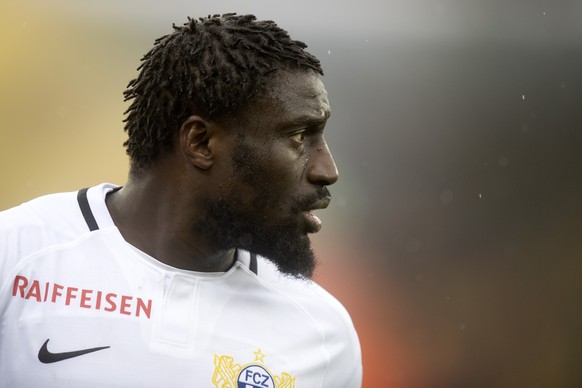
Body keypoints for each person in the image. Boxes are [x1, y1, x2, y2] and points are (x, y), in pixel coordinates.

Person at [0, 13, 362, 387]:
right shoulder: (15, 257)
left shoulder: (322, 335)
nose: (327, 170)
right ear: (201, 143)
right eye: (300, 135)